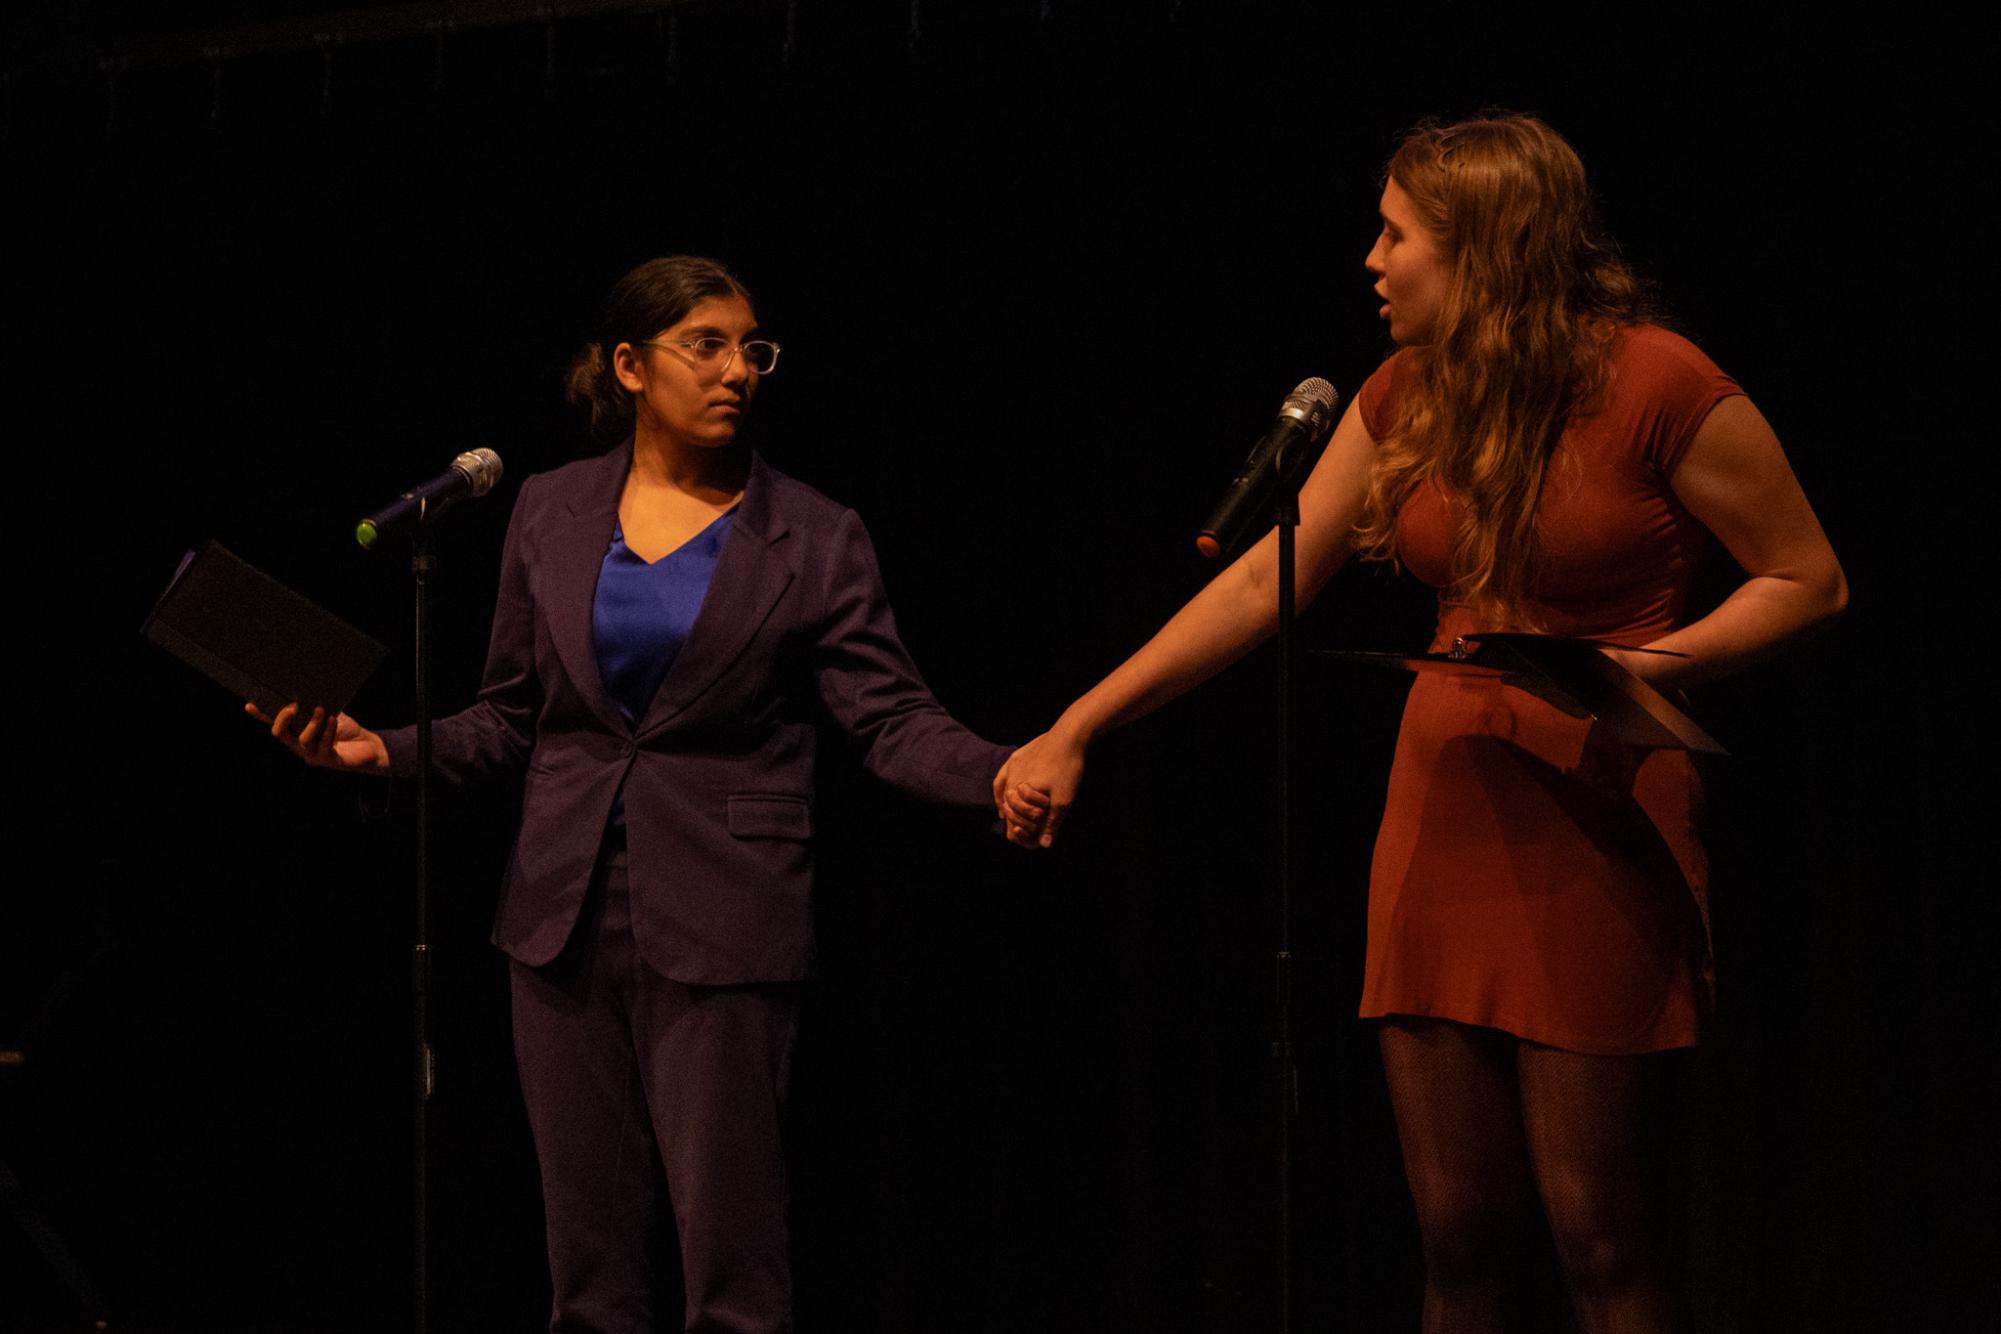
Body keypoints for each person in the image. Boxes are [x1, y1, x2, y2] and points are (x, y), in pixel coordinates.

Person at [996, 114, 1846, 1332]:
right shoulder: (1410, 391)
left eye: (1397, 235)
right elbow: (1262, 581)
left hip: (1597, 805)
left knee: (1600, 1234)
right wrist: (1079, 722)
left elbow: (1810, 578)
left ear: (1486, 250)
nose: (1372, 259)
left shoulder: (1658, 381)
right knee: (1457, 1232)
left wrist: (1649, 662)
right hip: (1443, 804)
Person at [255, 255, 1012, 1334]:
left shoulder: (815, 531)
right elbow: (508, 717)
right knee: (590, 1276)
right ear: (630, 365)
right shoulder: (551, 510)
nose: (738, 370)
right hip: (558, 921)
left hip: (725, 911)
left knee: (735, 1273)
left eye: (753, 348)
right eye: (706, 343)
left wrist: (996, 767)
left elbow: (887, 719)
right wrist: (376, 749)